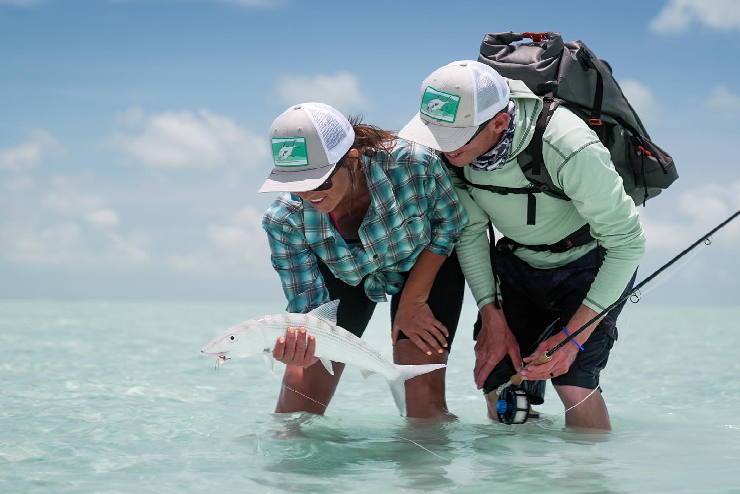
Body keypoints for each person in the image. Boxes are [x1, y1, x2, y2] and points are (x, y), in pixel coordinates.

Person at [398, 61, 645, 430]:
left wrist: (572, 338)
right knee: (496, 380)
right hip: (517, 262)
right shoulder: (452, 156)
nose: (442, 148)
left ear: (498, 123)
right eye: (436, 134)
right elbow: (471, 232)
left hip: (590, 262)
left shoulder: (569, 146)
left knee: (573, 382)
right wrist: (491, 316)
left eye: (454, 139)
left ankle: (592, 478)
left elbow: (627, 243)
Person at [258, 102, 468, 418]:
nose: (310, 194)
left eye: (319, 181)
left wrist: (413, 301)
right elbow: (309, 308)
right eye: (296, 184)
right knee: (295, 412)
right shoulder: (283, 220)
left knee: (425, 405)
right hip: (345, 275)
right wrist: (305, 348)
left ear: (352, 160)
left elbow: (450, 221)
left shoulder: (413, 162)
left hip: (424, 261)